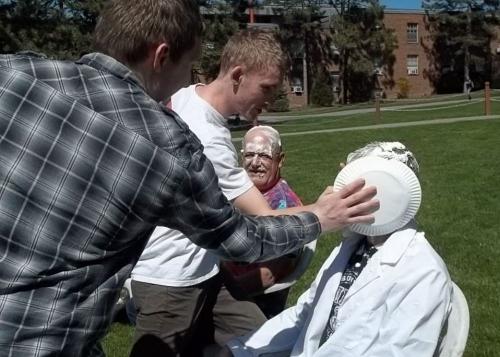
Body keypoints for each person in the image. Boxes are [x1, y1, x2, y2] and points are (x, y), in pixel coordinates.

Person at [0, 1, 379, 356]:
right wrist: (320, 217)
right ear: (161, 57)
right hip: (49, 340)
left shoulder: (14, 74)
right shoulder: (166, 144)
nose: (187, 81)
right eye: (190, 67)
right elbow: (242, 237)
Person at [131, 30, 367, 357]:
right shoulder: (208, 140)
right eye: (266, 88)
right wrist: (325, 212)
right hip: (170, 281)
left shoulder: (188, 96)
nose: (269, 99)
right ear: (238, 75)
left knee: (259, 340)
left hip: (207, 272)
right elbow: (264, 216)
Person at [220, 141, 452, 357]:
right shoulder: (354, 246)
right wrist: (239, 348)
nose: (335, 195)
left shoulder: (423, 273)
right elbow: (304, 313)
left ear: (385, 196)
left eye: (349, 188)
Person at [222, 125, 306, 319]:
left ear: (280, 160)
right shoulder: (248, 195)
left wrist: (218, 296)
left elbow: (269, 274)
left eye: (264, 156)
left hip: (253, 304)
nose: (255, 163)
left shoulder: (284, 206)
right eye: (249, 154)